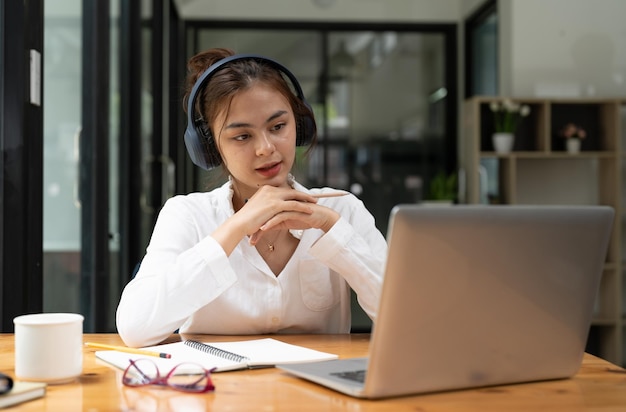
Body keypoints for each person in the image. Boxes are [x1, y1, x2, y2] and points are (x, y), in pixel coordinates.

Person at [116, 48, 387, 347]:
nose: (266, 148)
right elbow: (135, 327)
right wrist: (233, 229)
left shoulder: (340, 209)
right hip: (216, 390)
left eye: (278, 126)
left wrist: (332, 228)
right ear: (210, 148)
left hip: (321, 389)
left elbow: (405, 319)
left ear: (300, 126)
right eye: (242, 136)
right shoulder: (187, 215)